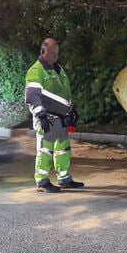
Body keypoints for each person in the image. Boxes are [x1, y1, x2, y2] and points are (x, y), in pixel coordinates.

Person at [25, 38, 85, 192]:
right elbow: (32, 96)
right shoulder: (36, 71)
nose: (54, 56)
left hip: (61, 119)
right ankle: (42, 182)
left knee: (63, 150)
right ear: (43, 52)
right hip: (48, 119)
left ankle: (64, 179)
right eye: (51, 53)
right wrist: (41, 115)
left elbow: (64, 93)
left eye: (57, 53)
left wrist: (71, 110)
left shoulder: (58, 69)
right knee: (45, 150)